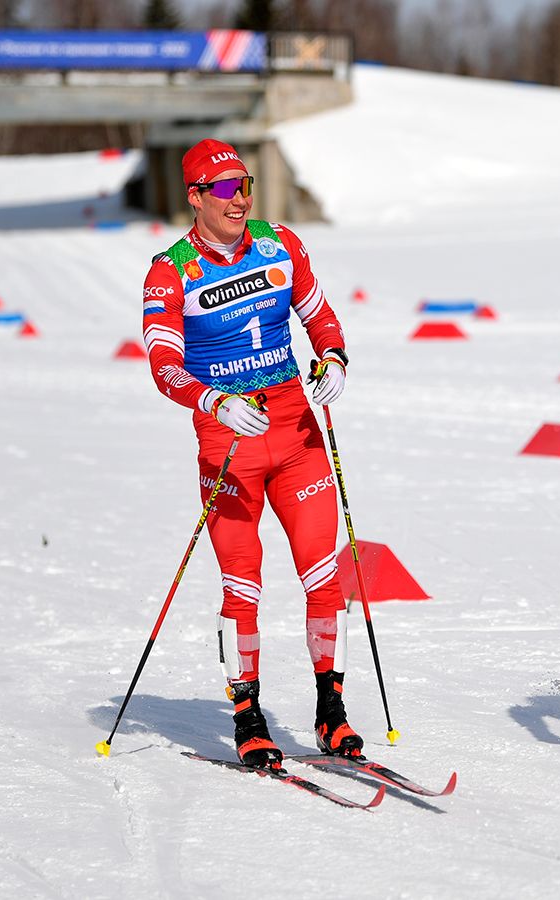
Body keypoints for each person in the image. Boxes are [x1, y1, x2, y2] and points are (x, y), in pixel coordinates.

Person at [141, 139, 362, 768]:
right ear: (195, 197)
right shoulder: (171, 270)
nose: (240, 199)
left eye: (246, 185)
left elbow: (320, 318)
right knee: (243, 584)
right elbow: (163, 366)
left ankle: (331, 710)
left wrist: (336, 362)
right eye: (225, 189)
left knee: (324, 574)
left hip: (294, 431)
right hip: (229, 444)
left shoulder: (280, 244)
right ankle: (248, 715)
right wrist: (211, 400)